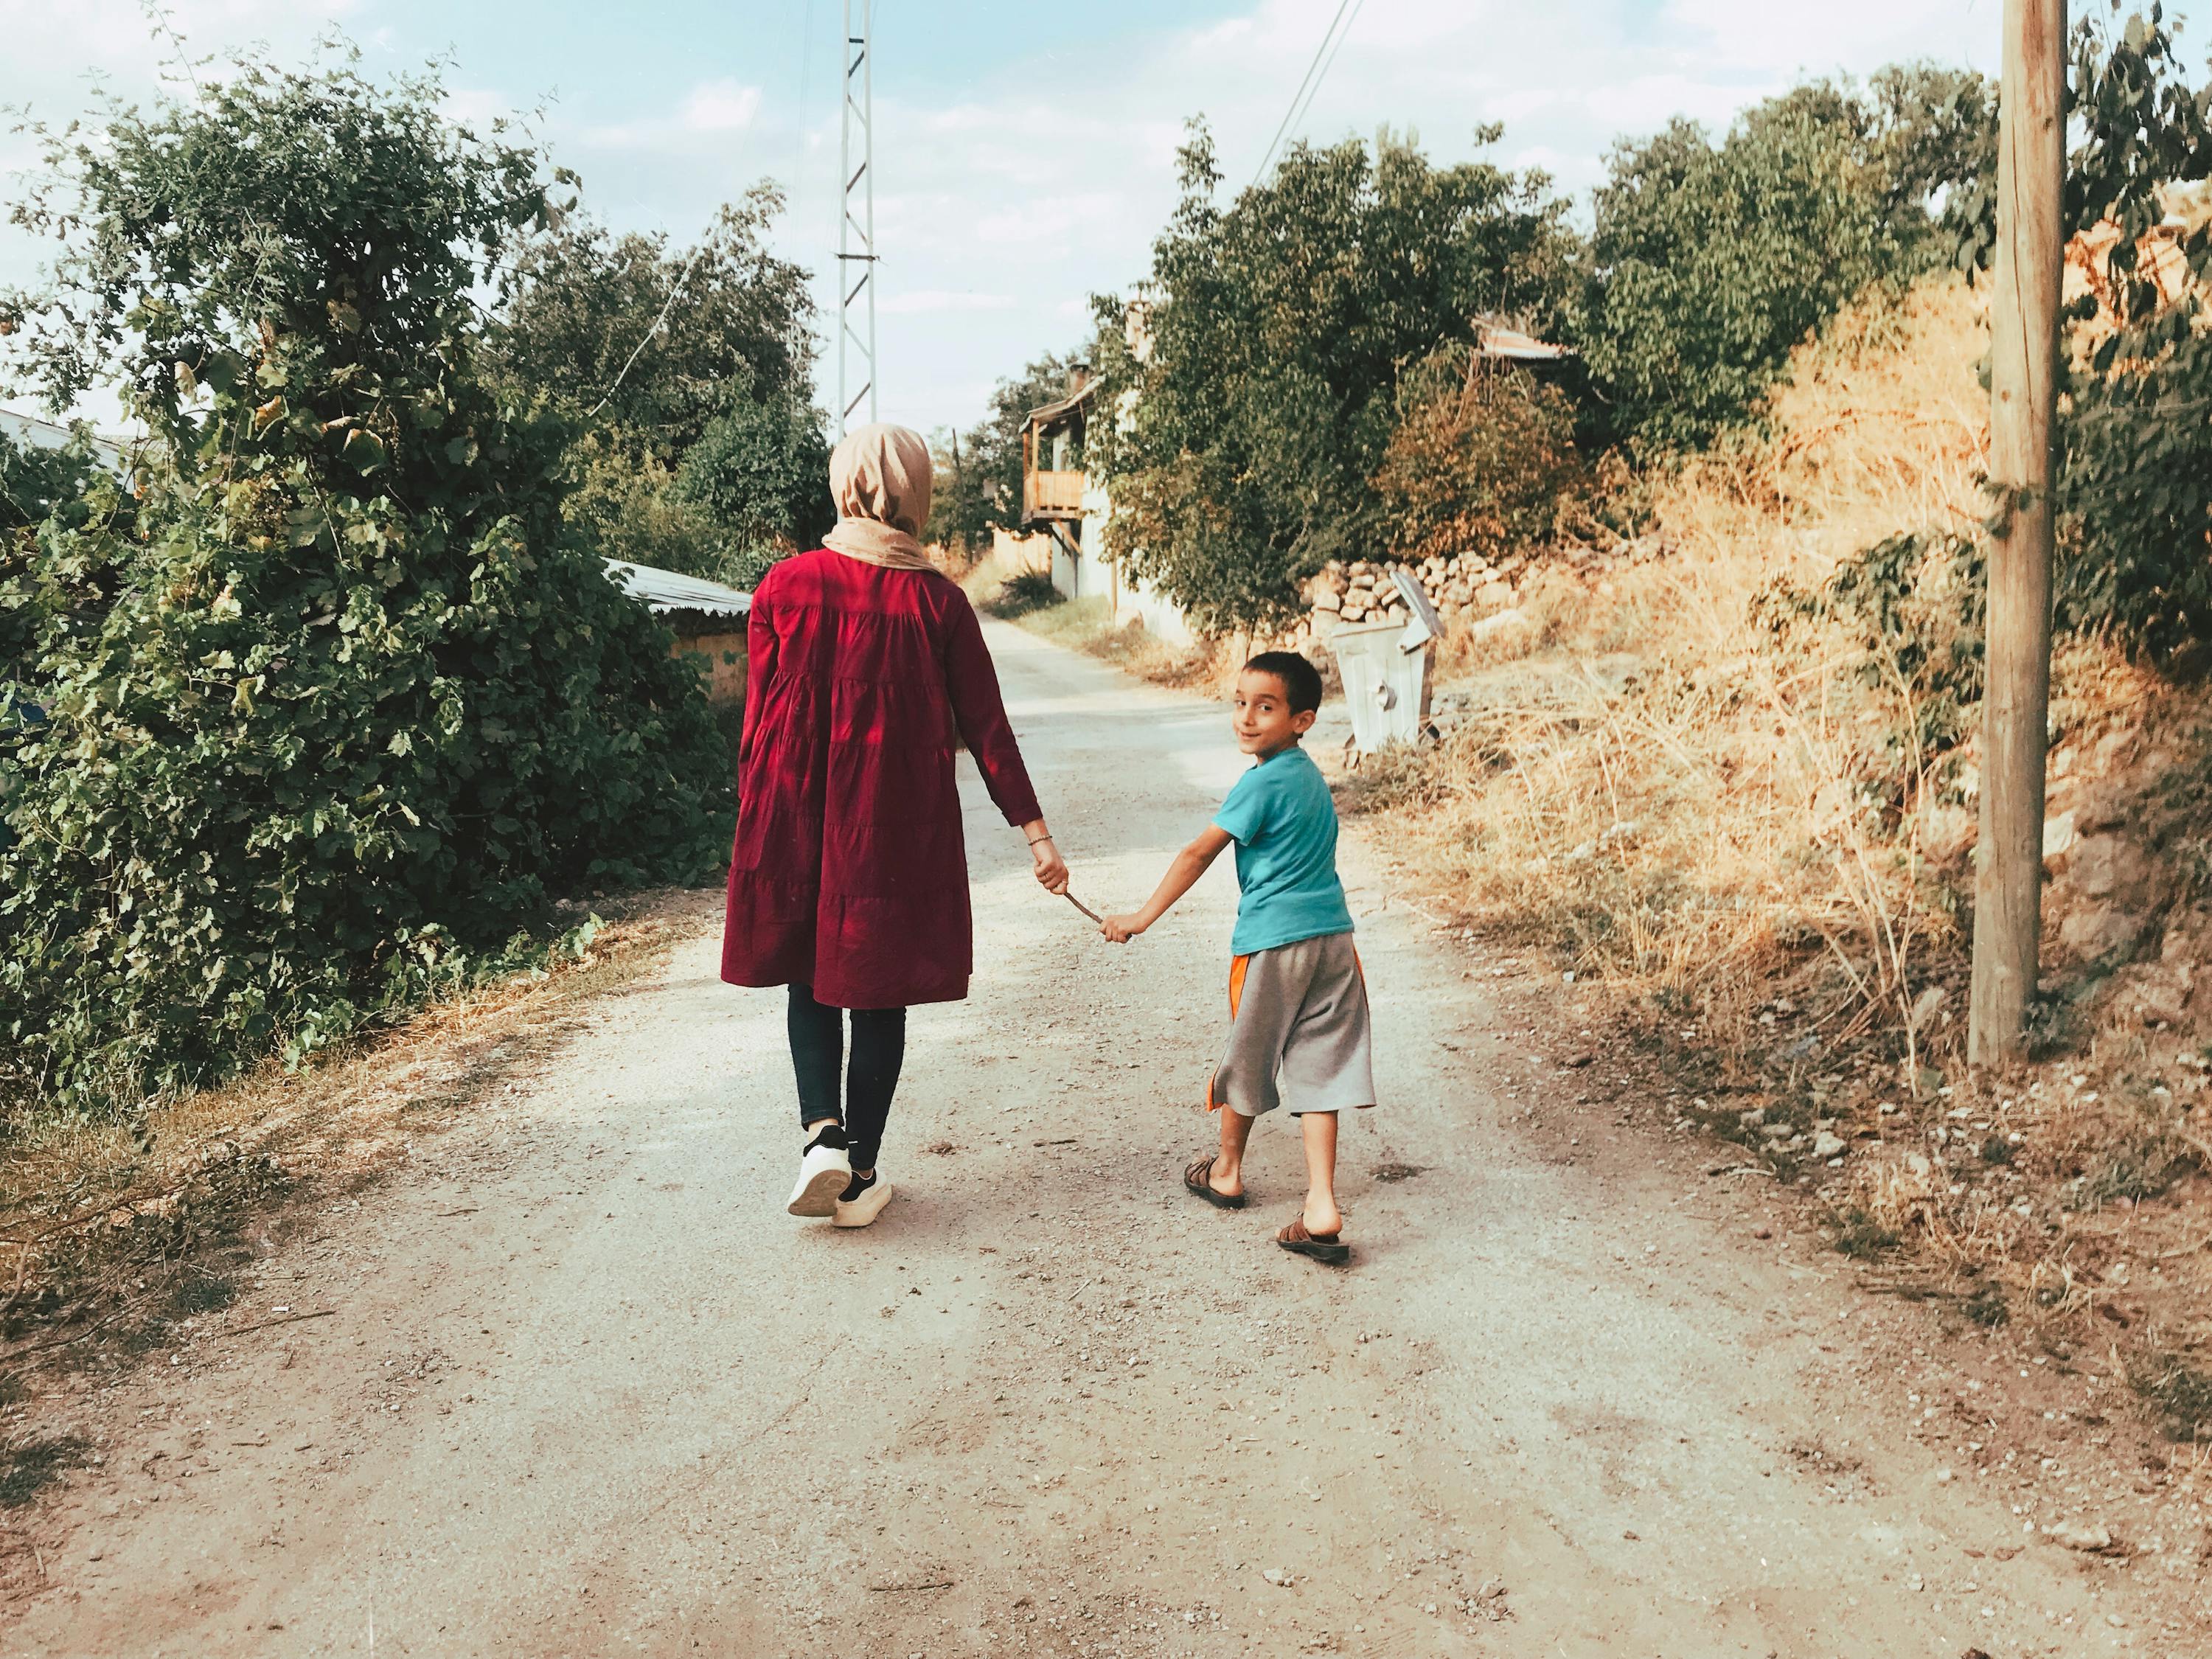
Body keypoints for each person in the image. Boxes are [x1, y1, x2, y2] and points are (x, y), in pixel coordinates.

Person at [722, 422, 1068, 1228]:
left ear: (845, 486)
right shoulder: (939, 601)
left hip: (794, 807)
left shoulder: (783, 586)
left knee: (810, 975)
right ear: (915, 494)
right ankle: (862, 1174)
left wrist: (755, 814)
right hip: (893, 820)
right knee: (879, 994)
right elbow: (988, 728)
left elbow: (757, 721)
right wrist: (1037, 837)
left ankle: (821, 1140)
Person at [1099, 650, 1374, 1265]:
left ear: (1301, 719)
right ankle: (1321, 1206)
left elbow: (1200, 853)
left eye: (1266, 707)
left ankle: (1226, 1171)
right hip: (1334, 940)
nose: (1247, 718)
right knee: (1320, 1068)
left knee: (1248, 1056)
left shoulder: (1261, 781)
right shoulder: (1307, 777)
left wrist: (1140, 918)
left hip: (1273, 946)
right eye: (1240, 702)